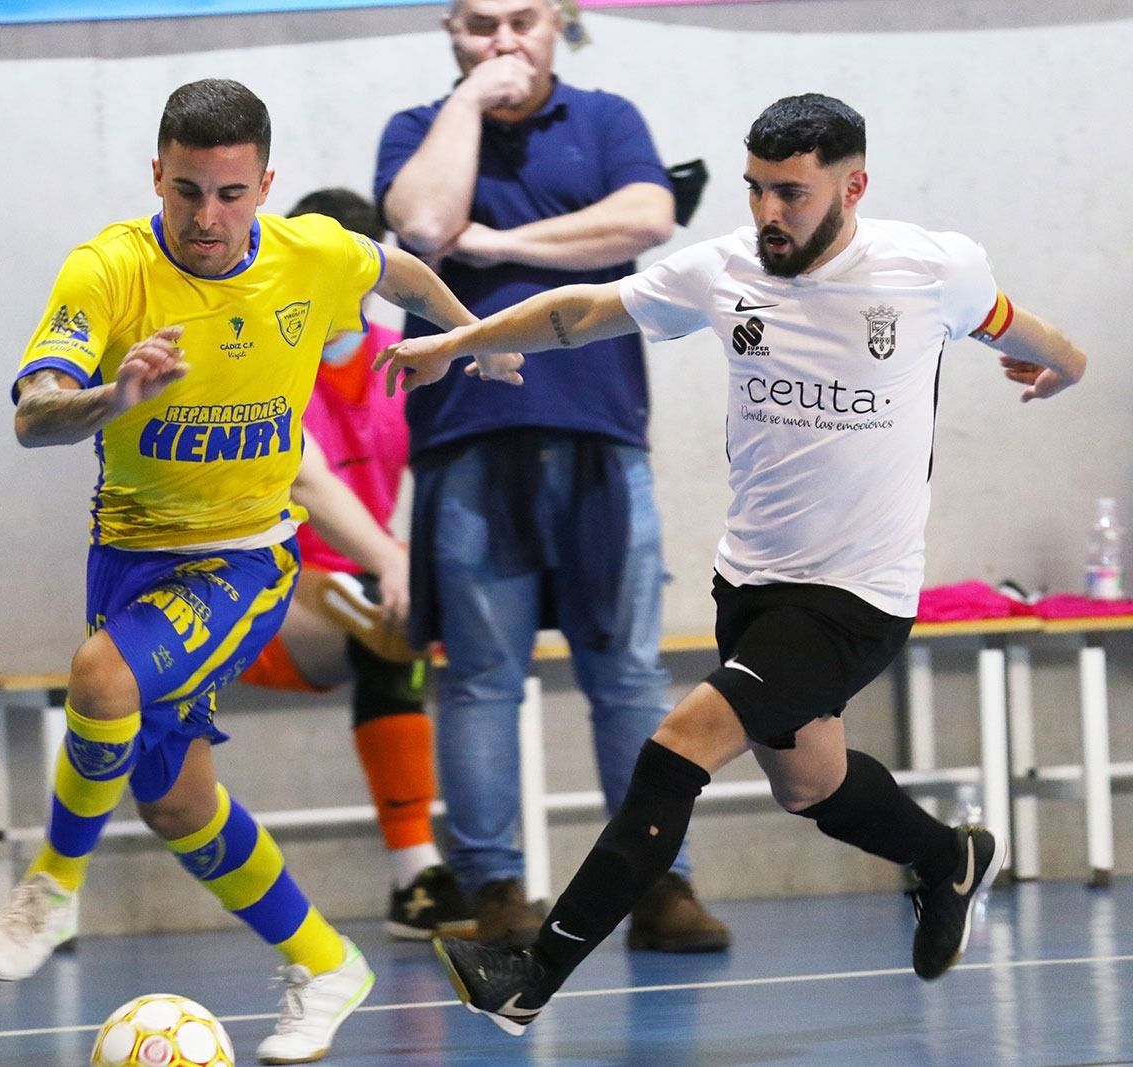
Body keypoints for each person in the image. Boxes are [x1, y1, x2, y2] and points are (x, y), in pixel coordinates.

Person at [380, 92, 1088, 1036]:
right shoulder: (724, 270)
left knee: (679, 745)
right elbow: (584, 310)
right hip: (750, 582)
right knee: (811, 785)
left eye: (792, 194)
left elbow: (1017, 326)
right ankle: (947, 857)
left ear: (854, 187)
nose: (768, 213)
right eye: (756, 189)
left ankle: (532, 974)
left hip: (855, 597)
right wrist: (458, 341)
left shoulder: (930, 269)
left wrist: (1066, 365)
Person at [0, 79, 501, 1065]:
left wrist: (464, 337)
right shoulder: (108, 268)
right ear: (155, 176)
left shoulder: (313, 255)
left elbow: (402, 272)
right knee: (176, 802)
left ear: (265, 186)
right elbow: (33, 414)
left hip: (246, 558)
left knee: (100, 678)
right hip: (128, 560)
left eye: (229, 193)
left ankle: (50, 889)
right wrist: (111, 397)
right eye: (186, 191)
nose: (206, 217)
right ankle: (328, 962)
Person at [373, 0, 728, 952]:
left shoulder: (605, 118)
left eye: (523, 19)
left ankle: (657, 882)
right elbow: (424, 224)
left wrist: (496, 244)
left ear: (558, 23)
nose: (503, 40)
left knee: (627, 672)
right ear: (449, 32)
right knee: (482, 678)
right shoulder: (417, 130)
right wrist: (469, 103)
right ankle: (495, 892)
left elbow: (646, 221)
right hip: (467, 433)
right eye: (479, 23)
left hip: (599, 429)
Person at [234, 187, 475, 942]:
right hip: (254, 599)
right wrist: (392, 561)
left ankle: (453, 871)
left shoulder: (406, 361)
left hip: (370, 587)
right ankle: (417, 871)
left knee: (418, 608)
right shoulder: (257, 360)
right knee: (390, 607)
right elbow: (306, 481)